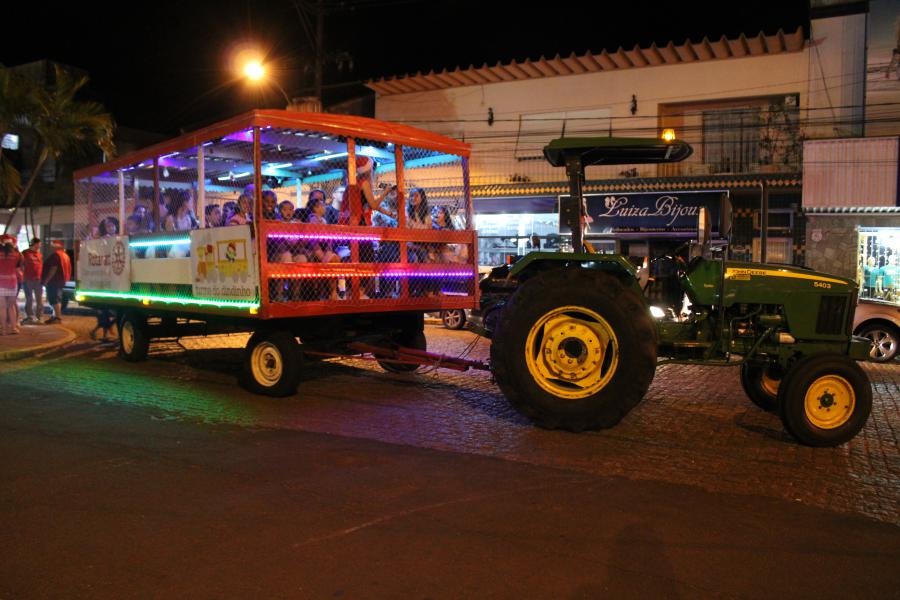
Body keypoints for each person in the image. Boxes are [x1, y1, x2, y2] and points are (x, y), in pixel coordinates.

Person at [42, 240, 71, 324]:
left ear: (56, 246)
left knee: (54, 299)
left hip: (54, 281)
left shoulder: (55, 256)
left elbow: (53, 269)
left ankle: (57, 318)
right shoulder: (65, 255)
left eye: (52, 245)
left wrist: (46, 280)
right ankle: (54, 316)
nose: (51, 247)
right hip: (61, 280)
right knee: (57, 299)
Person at [0, 234, 22, 335]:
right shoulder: (17, 255)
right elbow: (18, 269)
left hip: (1, 282)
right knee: (11, 307)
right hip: (12, 283)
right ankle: (14, 328)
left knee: (2, 308)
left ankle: (3, 330)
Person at [21, 237, 43, 324]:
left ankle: (39, 317)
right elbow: (21, 265)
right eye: (38, 244)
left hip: (38, 280)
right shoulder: (25, 253)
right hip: (28, 279)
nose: (39, 246)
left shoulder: (39, 254)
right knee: (29, 298)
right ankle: (29, 316)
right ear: (34, 244)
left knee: (39, 299)